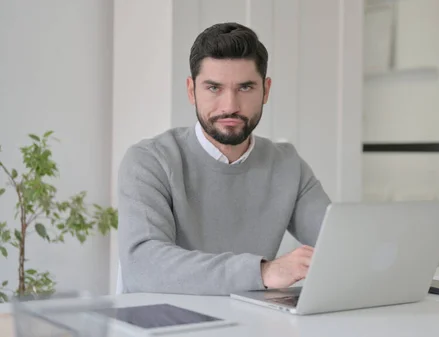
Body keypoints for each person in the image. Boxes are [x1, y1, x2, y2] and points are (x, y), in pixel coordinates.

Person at [117, 22, 331, 296]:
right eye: (214, 88)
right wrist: (263, 272)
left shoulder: (287, 165)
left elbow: (336, 247)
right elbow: (143, 267)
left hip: (248, 323)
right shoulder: (149, 161)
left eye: (245, 88)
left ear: (266, 90)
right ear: (191, 90)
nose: (230, 105)